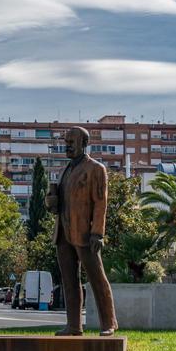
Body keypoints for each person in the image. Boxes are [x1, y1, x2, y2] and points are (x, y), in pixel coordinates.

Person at [45, 126, 118, 337]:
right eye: (66, 142)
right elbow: (58, 204)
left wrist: (97, 233)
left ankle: (108, 323)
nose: (67, 146)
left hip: (85, 233)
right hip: (62, 233)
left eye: (71, 142)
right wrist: (50, 201)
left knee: (97, 279)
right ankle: (74, 325)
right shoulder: (64, 170)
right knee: (69, 281)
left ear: (84, 144)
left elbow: (101, 203)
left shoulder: (96, 169)